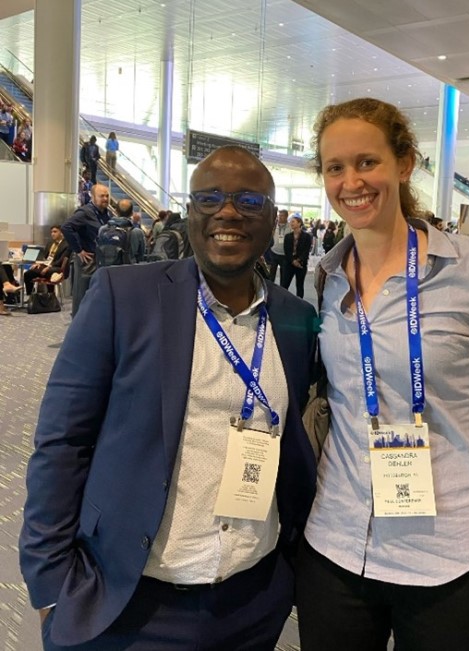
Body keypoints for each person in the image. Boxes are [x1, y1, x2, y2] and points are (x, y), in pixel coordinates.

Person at [20, 145, 318, 651]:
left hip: (252, 602)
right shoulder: (123, 297)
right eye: (210, 198)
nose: (228, 212)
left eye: (249, 201)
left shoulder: (294, 319)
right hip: (130, 603)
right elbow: (62, 442)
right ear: (189, 213)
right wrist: (50, 583)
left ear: (273, 221)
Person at [295, 98, 469, 651]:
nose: (351, 182)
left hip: (451, 556)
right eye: (334, 167)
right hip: (337, 548)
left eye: (367, 162)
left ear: (405, 162)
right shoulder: (326, 278)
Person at [61, 184, 112, 316]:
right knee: (83, 293)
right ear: (93, 197)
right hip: (87, 261)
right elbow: (66, 227)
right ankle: (78, 322)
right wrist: (78, 250)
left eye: (107, 196)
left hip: (100, 260)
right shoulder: (84, 212)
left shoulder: (106, 214)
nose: (105, 198)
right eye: (102, 196)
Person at [23, 225, 70, 295]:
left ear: (61, 232)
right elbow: (44, 257)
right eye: (51, 232)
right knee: (27, 274)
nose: (52, 234)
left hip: (58, 268)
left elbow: (61, 260)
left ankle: (50, 296)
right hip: (46, 265)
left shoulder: (67, 245)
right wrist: (38, 263)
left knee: (48, 272)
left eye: (55, 232)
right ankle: (30, 296)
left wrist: (49, 267)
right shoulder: (50, 243)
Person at [282, 215, 311, 298]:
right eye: (291, 222)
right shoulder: (288, 236)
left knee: (299, 285)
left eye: (293, 222)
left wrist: (299, 260)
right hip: (289, 263)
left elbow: (306, 250)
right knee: (285, 284)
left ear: (299, 223)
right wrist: (293, 261)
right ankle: (283, 301)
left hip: (301, 264)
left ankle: (300, 302)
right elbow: (286, 250)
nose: (291, 223)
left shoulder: (307, 236)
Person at [268, 208, 291, 284]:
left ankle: (282, 292)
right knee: (271, 275)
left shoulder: (290, 227)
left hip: (284, 255)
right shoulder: (274, 225)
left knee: (283, 276)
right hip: (274, 253)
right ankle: (270, 291)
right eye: (279, 215)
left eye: (282, 216)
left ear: (286, 217)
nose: (279, 217)